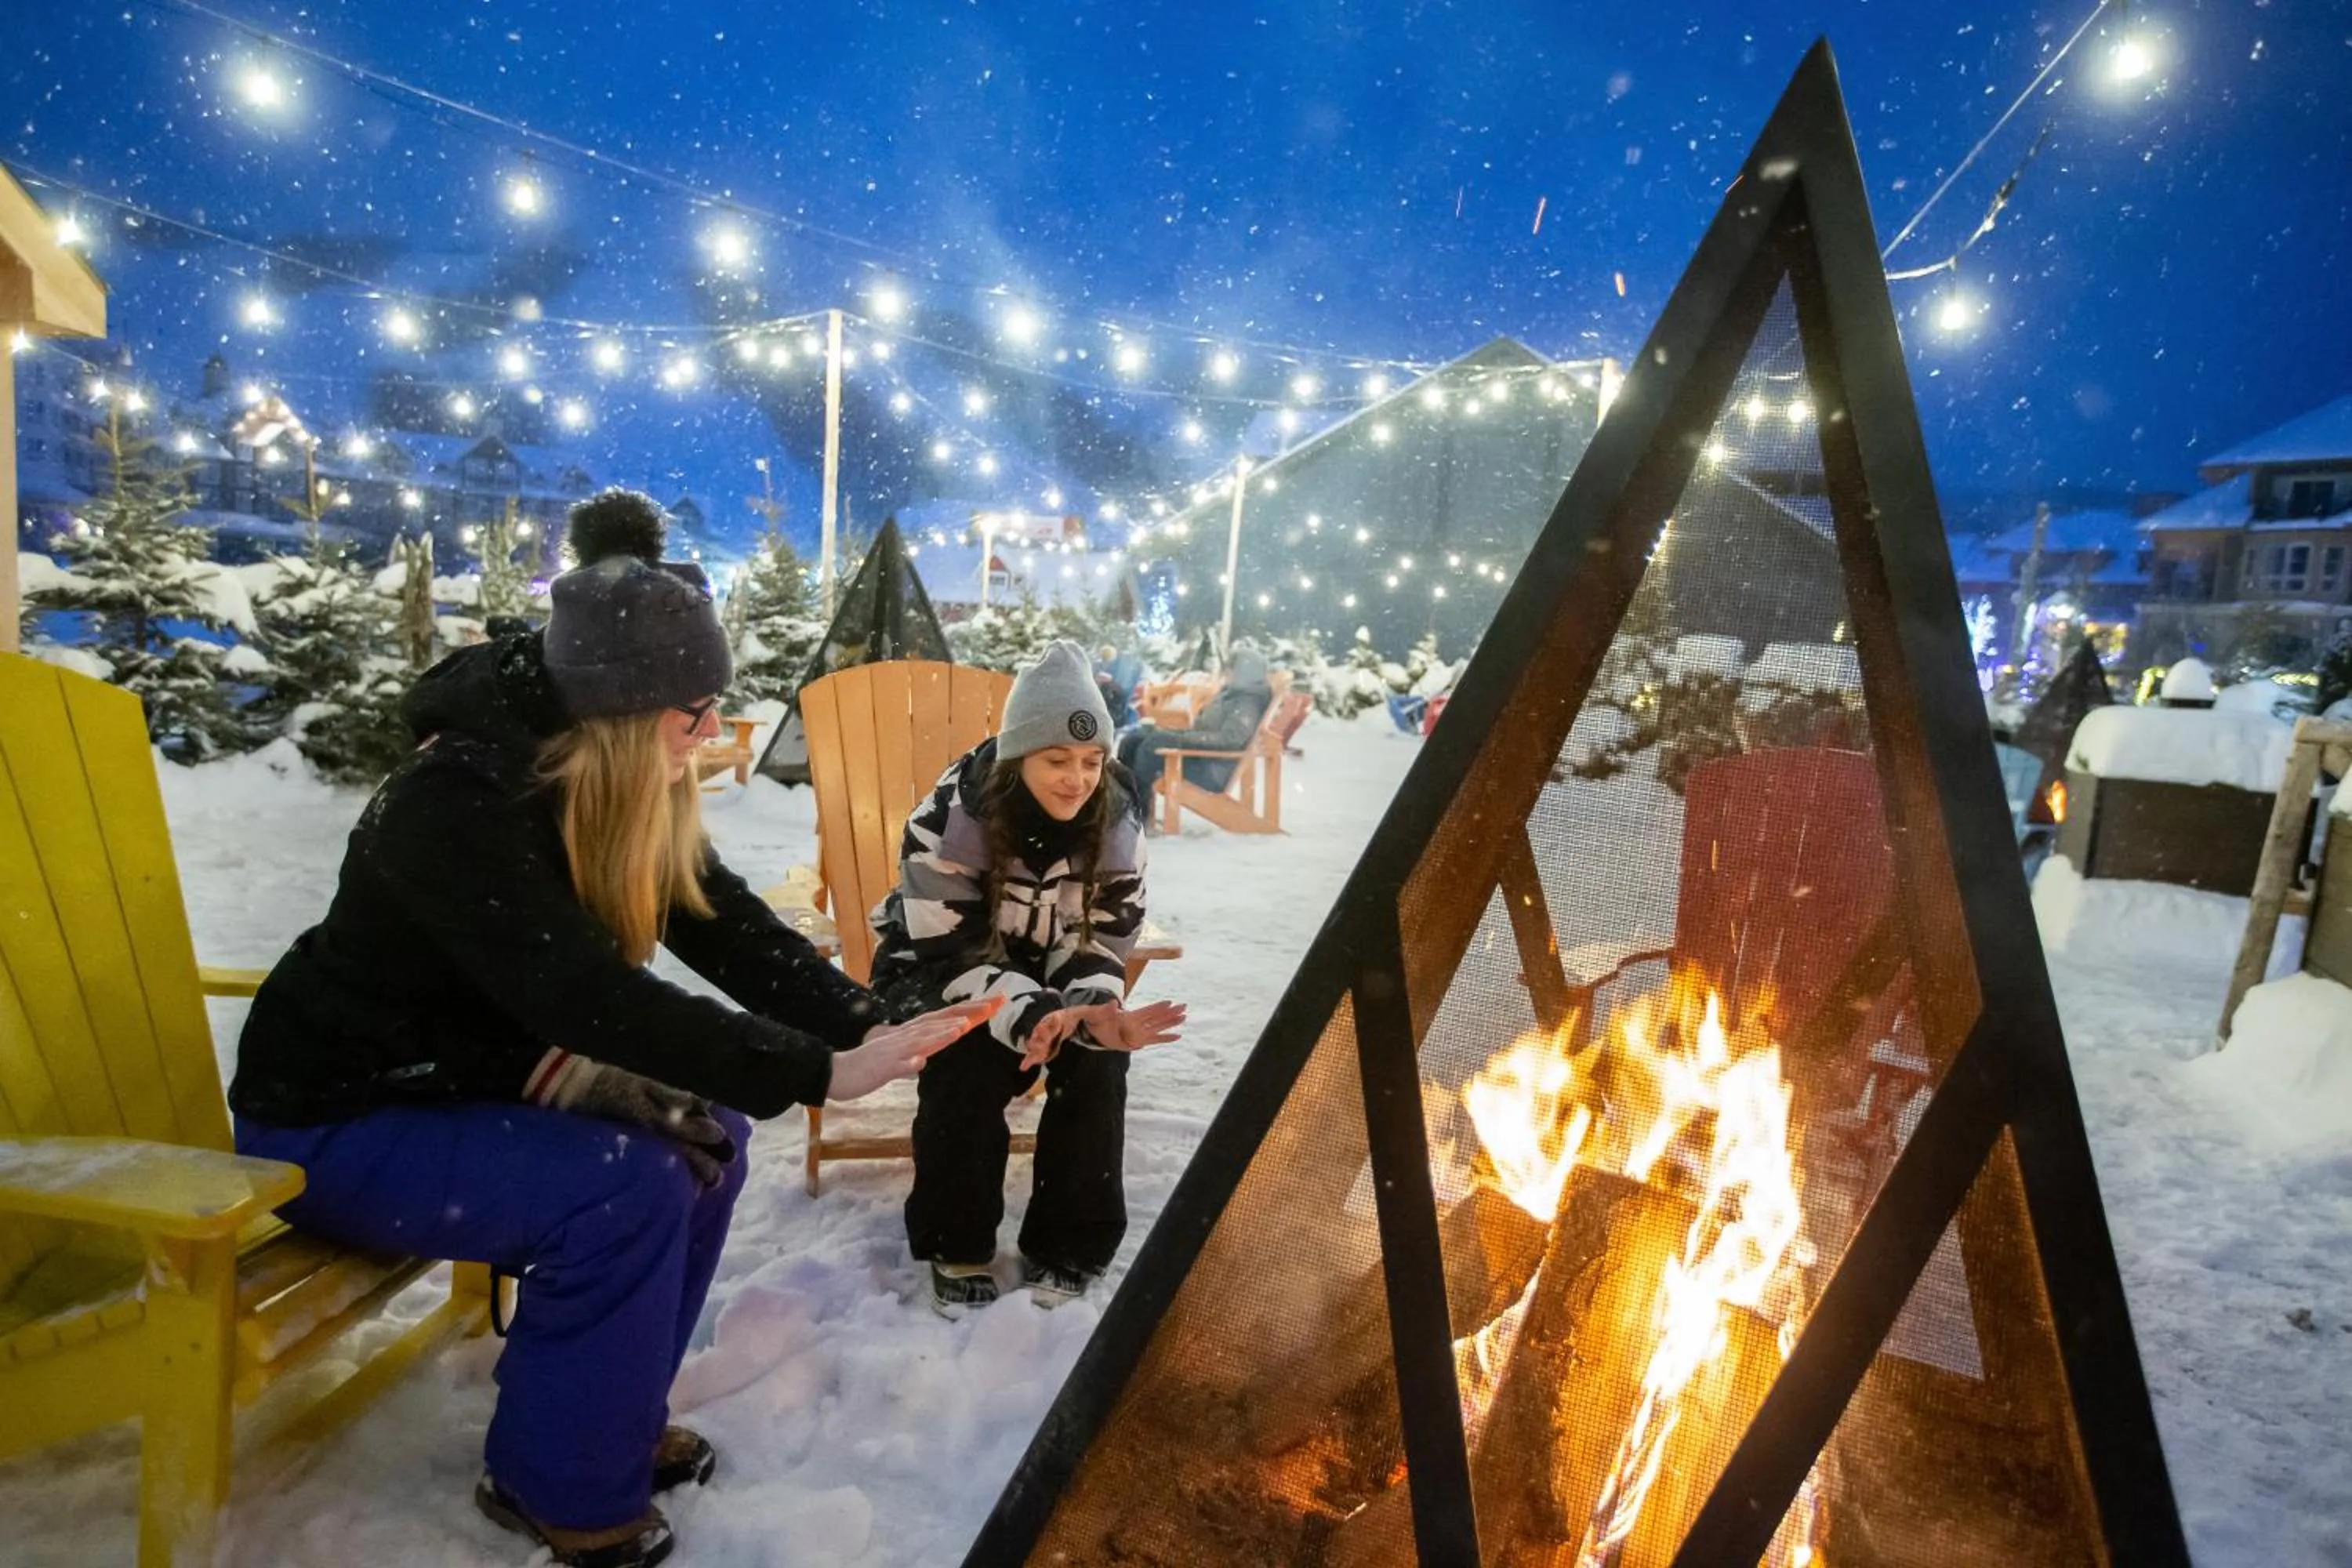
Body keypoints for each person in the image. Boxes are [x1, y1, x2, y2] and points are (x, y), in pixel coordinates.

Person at [228, 489, 987, 1568]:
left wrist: (877, 1017)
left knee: (706, 1136)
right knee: (623, 1184)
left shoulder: (599, 771)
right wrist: (816, 1070)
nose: (713, 735)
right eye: (694, 715)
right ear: (625, 712)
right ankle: (559, 1481)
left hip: (465, 1078)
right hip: (339, 1114)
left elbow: (723, 922)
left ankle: (602, 1415)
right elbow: (586, 998)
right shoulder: (460, 807)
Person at [869, 641, 1186, 1316]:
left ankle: (1070, 1243)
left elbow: (1105, 931)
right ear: (1019, 758)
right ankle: (956, 1240)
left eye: (1091, 761)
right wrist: (1029, 1010)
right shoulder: (950, 817)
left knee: (1098, 1052)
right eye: (1056, 760)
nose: (1077, 779)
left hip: (1052, 963)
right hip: (937, 964)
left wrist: (1091, 1004)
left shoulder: (1118, 813)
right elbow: (949, 948)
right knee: (970, 1049)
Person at [1116, 644, 1276, 806]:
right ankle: (1121, 800)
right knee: (1134, 740)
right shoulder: (1231, 695)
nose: (1226, 673)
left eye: (1231, 669)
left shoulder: (1247, 703)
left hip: (1212, 769)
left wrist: (1182, 739)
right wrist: (1177, 735)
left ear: (1245, 673)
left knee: (1154, 745)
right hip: (1201, 757)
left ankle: (1137, 810)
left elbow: (1230, 740)